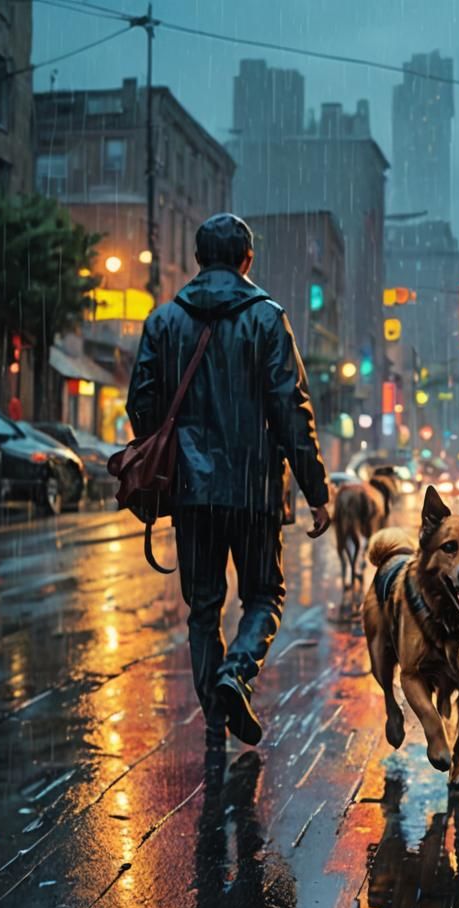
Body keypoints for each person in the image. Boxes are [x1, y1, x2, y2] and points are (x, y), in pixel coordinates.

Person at [127, 213, 331, 748]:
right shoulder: (268, 318)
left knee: (203, 607)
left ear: (198, 260)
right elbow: (292, 408)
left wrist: (171, 449)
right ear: (247, 260)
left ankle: (216, 716)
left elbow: (141, 402)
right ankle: (236, 672)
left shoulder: (165, 320)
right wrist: (317, 490)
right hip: (254, 488)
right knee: (264, 593)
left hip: (192, 492)